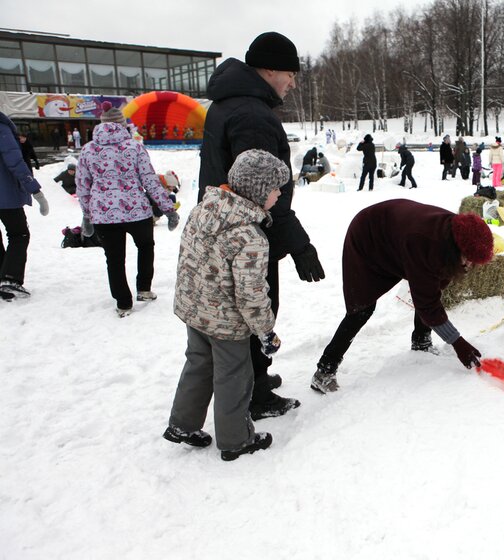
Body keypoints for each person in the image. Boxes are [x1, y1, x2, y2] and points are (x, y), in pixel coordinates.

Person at [197, 31, 324, 419]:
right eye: (290, 73)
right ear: (269, 69)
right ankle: (254, 397)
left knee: (242, 306)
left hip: (225, 228)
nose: (293, 82)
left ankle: (254, 380)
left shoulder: (229, 104)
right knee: (256, 306)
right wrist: (300, 246)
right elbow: (264, 191)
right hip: (250, 232)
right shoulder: (251, 114)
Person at [165, 150, 287, 461]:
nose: (280, 194)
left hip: (195, 310)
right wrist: (266, 331)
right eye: (276, 188)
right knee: (234, 376)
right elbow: (252, 293)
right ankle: (236, 440)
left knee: (198, 365)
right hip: (226, 323)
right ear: (258, 191)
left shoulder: (204, 209)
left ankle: (182, 424)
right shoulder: (249, 235)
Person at [310, 200, 494, 394]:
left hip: (397, 237)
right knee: (361, 309)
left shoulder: (453, 236)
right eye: (468, 260)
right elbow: (427, 303)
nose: (470, 266)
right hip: (369, 237)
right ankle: (324, 371)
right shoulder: (426, 243)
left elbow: (431, 291)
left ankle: (421, 342)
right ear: (458, 248)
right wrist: (457, 342)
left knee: (430, 287)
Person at [76, 103, 180, 316]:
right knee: (145, 246)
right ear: (123, 125)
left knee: (113, 258)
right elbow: (150, 180)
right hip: (136, 211)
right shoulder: (134, 147)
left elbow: (82, 185)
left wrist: (87, 215)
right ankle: (144, 288)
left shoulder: (88, 149)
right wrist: (168, 209)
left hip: (103, 214)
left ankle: (123, 303)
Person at [0, 111, 50, 300]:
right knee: (19, 234)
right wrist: (35, 190)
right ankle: (10, 279)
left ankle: (3, 278)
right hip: (4, 195)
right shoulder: (2, 129)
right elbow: (15, 163)